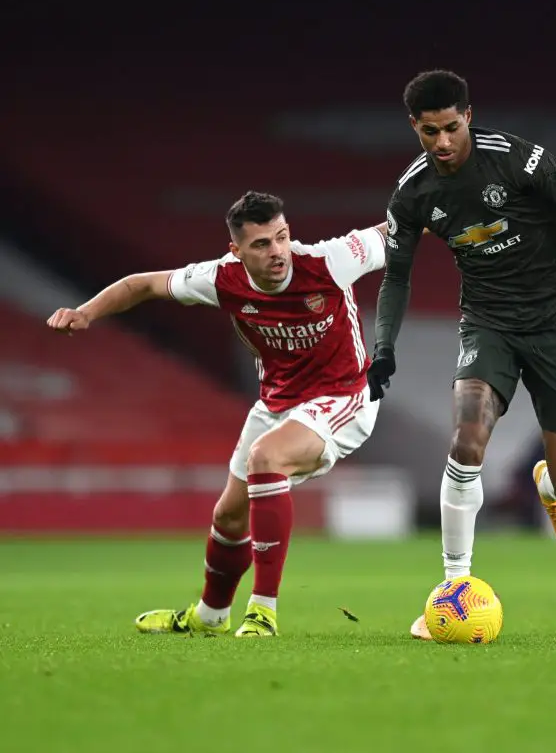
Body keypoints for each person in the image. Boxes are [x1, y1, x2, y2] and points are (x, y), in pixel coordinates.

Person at [366, 70, 556, 641]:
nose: (442, 142)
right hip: (487, 324)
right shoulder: (413, 193)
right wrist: (384, 347)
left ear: (468, 116)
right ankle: (453, 588)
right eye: (429, 131)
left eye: (451, 127)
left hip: (555, 322)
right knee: (467, 437)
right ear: (414, 127)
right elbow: (396, 276)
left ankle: (552, 489)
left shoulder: (516, 160)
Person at [47, 191, 387, 637]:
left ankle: (262, 611)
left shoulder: (330, 260)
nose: (277, 251)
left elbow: (395, 229)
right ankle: (210, 616)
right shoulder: (222, 279)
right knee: (228, 516)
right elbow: (141, 284)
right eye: (261, 244)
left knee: (266, 458)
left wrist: (448, 204)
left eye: (282, 237)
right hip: (277, 402)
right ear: (237, 251)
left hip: (345, 395)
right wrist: (85, 313)